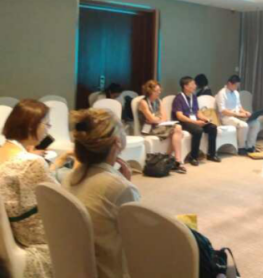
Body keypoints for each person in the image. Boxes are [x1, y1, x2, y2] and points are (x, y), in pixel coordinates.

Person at [62, 109, 141, 279]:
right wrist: (125, 184)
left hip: (78, 267)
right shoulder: (119, 188)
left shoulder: (69, 178)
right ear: (117, 142)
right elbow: (138, 240)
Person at [0, 100, 73, 278]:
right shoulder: (30, 162)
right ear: (31, 125)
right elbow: (65, 201)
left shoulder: (6, 151)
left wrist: (57, 162)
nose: (49, 129)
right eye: (46, 124)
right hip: (34, 237)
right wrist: (78, 168)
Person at [138, 80, 187, 174]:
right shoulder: (143, 102)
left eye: (160, 90)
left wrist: (157, 119)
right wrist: (157, 119)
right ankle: (174, 160)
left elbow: (164, 118)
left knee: (178, 128)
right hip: (148, 128)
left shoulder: (159, 101)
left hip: (159, 126)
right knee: (178, 130)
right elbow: (151, 119)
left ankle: (176, 161)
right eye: (156, 91)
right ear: (149, 91)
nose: (159, 92)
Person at [172, 77, 220, 166]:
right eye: (193, 84)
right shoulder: (178, 98)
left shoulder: (193, 96)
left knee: (212, 127)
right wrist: (195, 122)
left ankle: (211, 154)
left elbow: (197, 112)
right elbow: (180, 116)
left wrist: (205, 118)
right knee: (198, 130)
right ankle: (193, 157)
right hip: (184, 122)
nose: (195, 86)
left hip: (194, 120)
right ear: (185, 86)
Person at [216, 75, 261, 156]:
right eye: (236, 85)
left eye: (238, 86)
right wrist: (237, 114)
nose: (237, 87)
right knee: (244, 125)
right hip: (227, 118)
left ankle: (250, 146)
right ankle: (241, 147)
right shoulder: (221, 93)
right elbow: (222, 110)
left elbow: (239, 106)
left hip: (237, 116)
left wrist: (245, 112)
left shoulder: (236, 93)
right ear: (230, 83)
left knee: (256, 123)